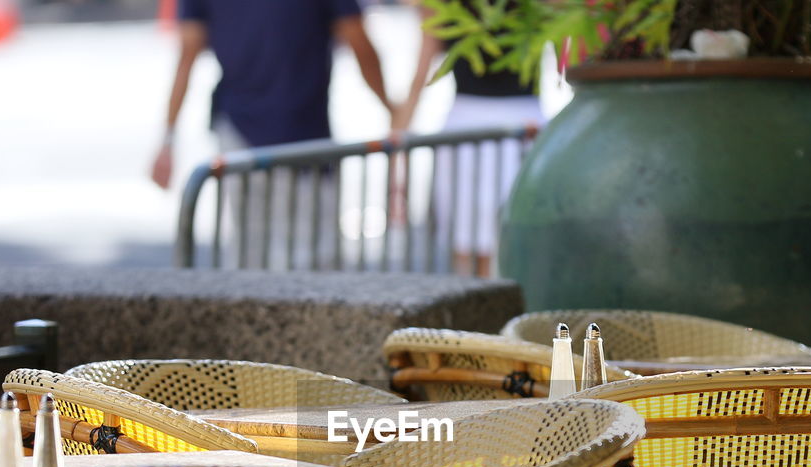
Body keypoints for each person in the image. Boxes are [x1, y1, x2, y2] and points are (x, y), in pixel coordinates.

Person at [152, 0, 397, 268]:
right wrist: (392, 107)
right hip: (297, 134)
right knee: (311, 258)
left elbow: (188, 52)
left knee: (253, 253)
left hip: (252, 131)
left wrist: (168, 138)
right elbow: (358, 40)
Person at [393, 3, 545, 276]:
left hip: (485, 127)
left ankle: (486, 315)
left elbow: (420, 75)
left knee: (476, 245)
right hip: (516, 124)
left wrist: (396, 167)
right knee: (508, 241)